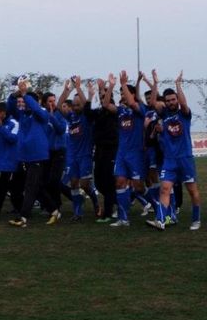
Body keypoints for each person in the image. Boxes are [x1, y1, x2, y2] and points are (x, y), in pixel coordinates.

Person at [147, 70, 202, 231]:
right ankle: (161, 220)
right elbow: (153, 104)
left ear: (177, 99)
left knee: (192, 190)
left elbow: (184, 104)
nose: (171, 102)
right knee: (164, 188)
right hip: (169, 160)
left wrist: (178, 84)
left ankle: (196, 218)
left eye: (173, 99)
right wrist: (156, 83)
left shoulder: (184, 114)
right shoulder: (163, 114)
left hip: (185, 158)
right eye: (168, 100)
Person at [7, 77, 61, 228]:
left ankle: (23, 217)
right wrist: (14, 95)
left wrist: (25, 95)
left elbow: (37, 110)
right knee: (35, 187)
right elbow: (10, 108)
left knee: (31, 187)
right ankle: (55, 210)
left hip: (38, 155)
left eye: (25, 101)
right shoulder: (23, 115)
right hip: (25, 156)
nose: (23, 104)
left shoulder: (42, 113)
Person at [102, 71, 148, 227]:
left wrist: (123, 84)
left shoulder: (140, 109)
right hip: (122, 153)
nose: (122, 96)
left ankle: (157, 205)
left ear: (132, 94)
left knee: (138, 187)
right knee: (120, 182)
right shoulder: (121, 111)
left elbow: (133, 103)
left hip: (136, 154)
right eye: (121, 93)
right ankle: (123, 218)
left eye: (125, 93)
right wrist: (112, 86)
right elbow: (106, 104)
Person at [58, 76, 100, 221]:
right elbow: (59, 106)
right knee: (74, 184)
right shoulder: (71, 117)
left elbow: (87, 103)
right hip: (72, 156)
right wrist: (66, 91)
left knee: (85, 184)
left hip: (85, 155)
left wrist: (78, 87)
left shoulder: (87, 117)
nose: (75, 107)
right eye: (74, 105)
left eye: (78, 105)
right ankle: (78, 212)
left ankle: (95, 202)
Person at [85, 79, 118, 223]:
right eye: (100, 93)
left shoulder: (112, 109)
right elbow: (88, 113)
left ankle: (108, 213)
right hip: (99, 149)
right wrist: (91, 94)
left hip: (111, 149)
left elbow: (107, 102)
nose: (102, 94)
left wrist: (108, 87)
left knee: (109, 182)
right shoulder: (97, 110)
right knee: (98, 181)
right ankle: (120, 200)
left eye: (104, 93)